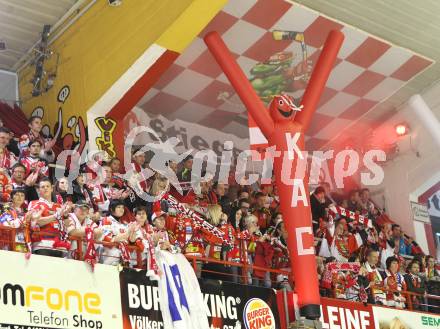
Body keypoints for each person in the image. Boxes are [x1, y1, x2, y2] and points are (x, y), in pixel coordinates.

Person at [28, 178, 72, 257]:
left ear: (52, 189)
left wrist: (65, 216)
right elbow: (37, 222)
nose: (45, 188)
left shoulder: (59, 206)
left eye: (47, 186)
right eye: (43, 187)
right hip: (42, 244)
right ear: (38, 190)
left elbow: (67, 225)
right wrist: (56, 216)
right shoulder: (34, 203)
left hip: (60, 246)